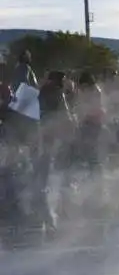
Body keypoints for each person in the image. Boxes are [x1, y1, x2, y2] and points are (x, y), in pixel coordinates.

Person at [36, 71, 75, 234]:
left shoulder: (41, 93)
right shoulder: (57, 93)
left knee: (44, 181)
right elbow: (64, 117)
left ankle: (47, 218)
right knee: (58, 178)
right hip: (55, 139)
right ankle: (56, 218)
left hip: (43, 139)